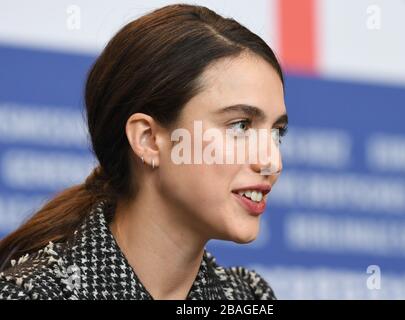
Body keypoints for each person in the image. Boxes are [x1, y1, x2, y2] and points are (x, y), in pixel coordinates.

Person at [0, 3, 288, 300]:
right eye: (240, 126)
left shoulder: (248, 297)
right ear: (148, 139)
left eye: (277, 132)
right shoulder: (31, 294)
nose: (271, 162)